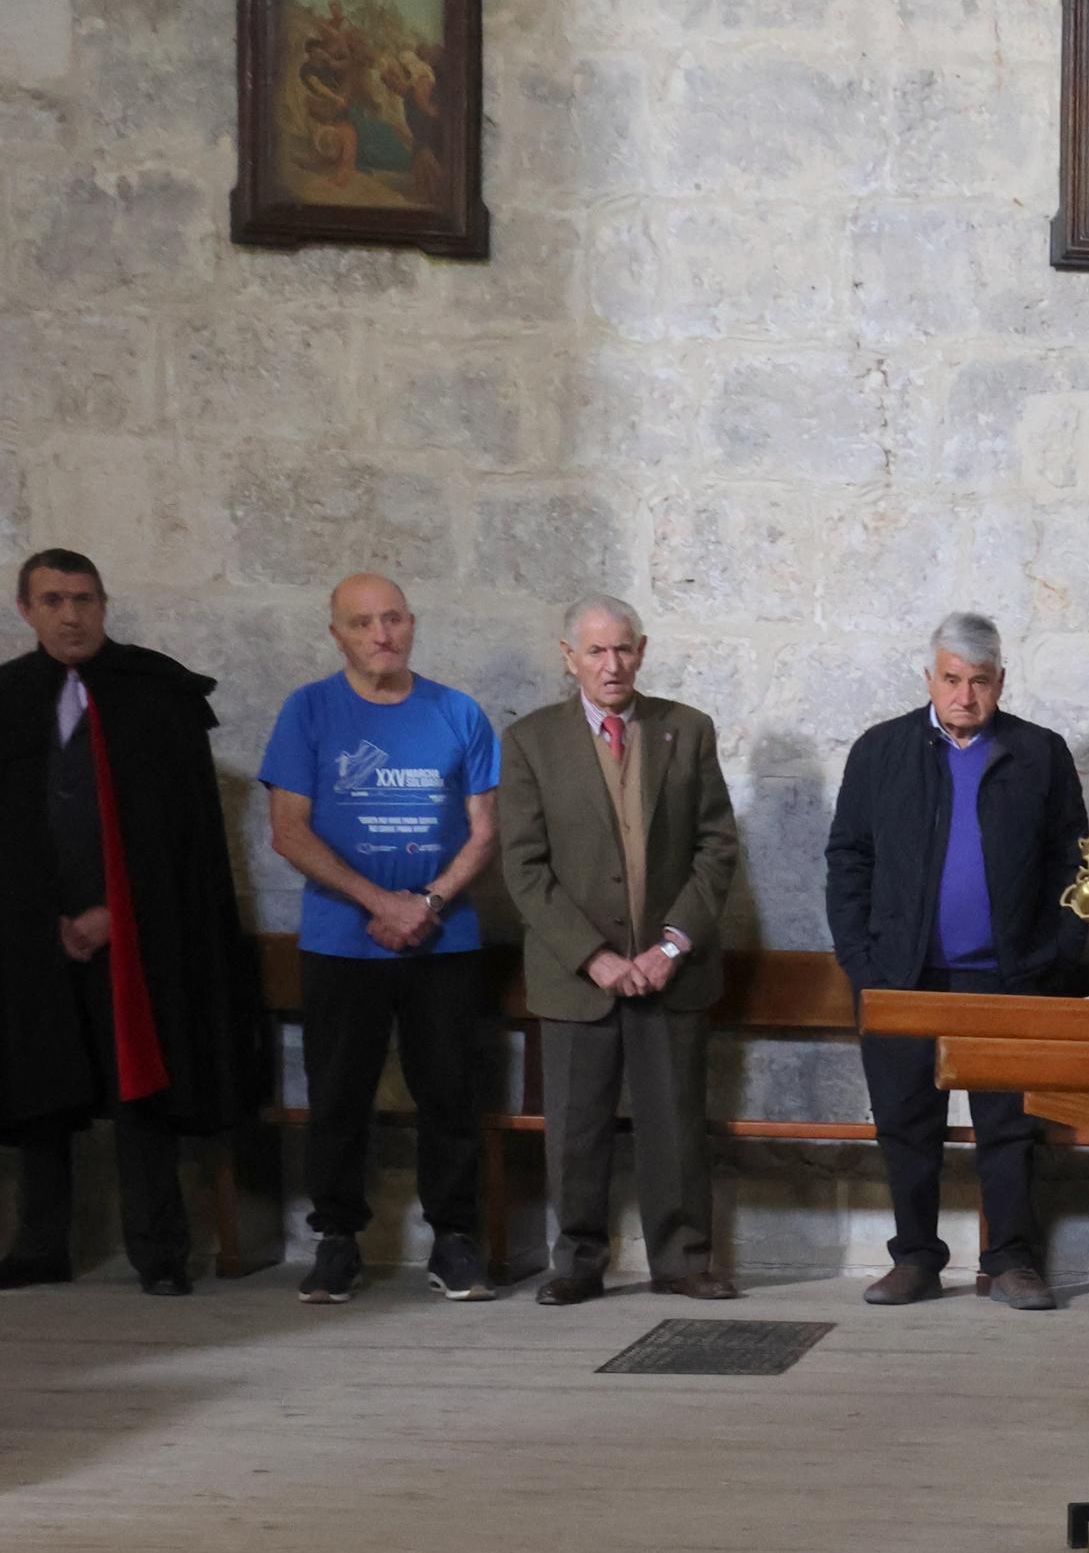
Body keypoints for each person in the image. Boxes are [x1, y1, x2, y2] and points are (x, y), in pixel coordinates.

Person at [0, 550, 266, 1293]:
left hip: (137, 933)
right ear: (26, 609)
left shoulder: (155, 694)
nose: (71, 614)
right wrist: (37, 921)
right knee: (41, 1085)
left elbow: (184, 837)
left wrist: (118, 913)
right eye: (52, 600)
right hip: (32, 937)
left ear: (104, 604)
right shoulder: (8, 698)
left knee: (138, 1086)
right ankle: (42, 1245)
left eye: (84, 598)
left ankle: (159, 1252)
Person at [825, 612, 1089, 1309]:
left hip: (1011, 979)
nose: (965, 696)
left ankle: (1009, 1261)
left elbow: (1075, 859)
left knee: (1010, 1127)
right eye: (951, 679)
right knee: (907, 1123)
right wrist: (863, 959)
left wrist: (1057, 957)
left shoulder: (1041, 754)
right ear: (929, 678)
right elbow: (848, 857)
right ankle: (914, 1257)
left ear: (1000, 681)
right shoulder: (880, 751)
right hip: (904, 977)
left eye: (979, 681)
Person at [494, 595, 744, 1303]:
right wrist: (592, 955)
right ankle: (575, 1262)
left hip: (672, 970)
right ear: (568, 655)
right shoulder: (530, 742)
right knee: (575, 1129)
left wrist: (671, 944)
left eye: (624, 648)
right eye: (597, 651)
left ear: (643, 649)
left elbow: (715, 847)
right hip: (576, 977)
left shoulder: (685, 730)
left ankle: (683, 1260)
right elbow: (524, 866)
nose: (613, 664)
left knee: (675, 1124)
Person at [261, 572, 502, 1303]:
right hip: (342, 942)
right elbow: (288, 829)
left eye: (392, 618)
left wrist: (425, 901)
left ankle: (454, 1241)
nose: (380, 635)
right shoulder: (307, 710)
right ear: (336, 633)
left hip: (444, 941)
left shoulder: (459, 713)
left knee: (451, 1097)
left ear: (412, 623)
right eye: (362, 622)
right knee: (338, 1096)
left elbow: (486, 832)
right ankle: (337, 1241)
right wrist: (378, 901)